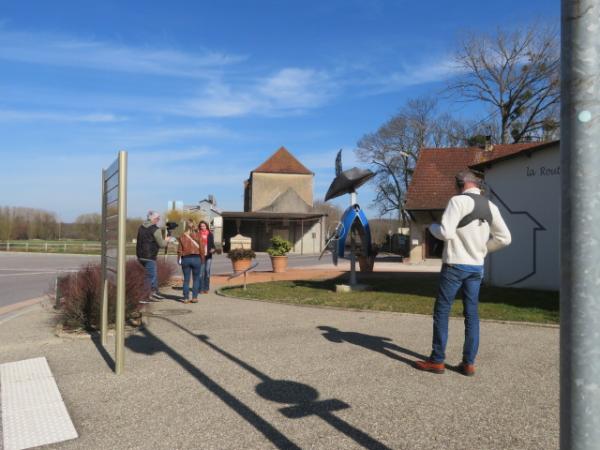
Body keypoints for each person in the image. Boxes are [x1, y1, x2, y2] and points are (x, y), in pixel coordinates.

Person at [415, 170, 511, 376]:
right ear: (476, 185)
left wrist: (431, 227)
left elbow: (446, 233)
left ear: (460, 184)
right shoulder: (491, 206)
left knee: (442, 311)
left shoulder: (457, 201)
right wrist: (484, 249)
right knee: (471, 315)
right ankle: (468, 363)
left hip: (454, 266)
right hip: (476, 268)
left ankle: (437, 360)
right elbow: (505, 238)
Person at [136, 210, 174, 301]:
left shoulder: (141, 227)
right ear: (153, 219)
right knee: (150, 276)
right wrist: (167, 240)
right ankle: (144, 296)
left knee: (153, 274)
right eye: (158, 218)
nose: (158, 220)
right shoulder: (155, 229)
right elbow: (162, 244)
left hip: (140, 255)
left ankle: (154, 292)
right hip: (149, 256)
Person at [177, 219, 205, 303]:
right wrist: (202, 259)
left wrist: (179, 259)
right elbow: (202, 249)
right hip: (196, 258)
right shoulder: (198, 235)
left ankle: (185, 298)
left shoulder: (182, 236)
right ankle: (194, 297)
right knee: (196, 279)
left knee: (186, 279)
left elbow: (179, 250)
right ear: (195, 225)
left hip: (186, 258)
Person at [198, 220, 216, 293]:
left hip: (208, 256)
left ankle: (206, 288)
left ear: (206, 226)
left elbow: (212, 244)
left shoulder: (210, 234)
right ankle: (201, 288)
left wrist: (213, 249)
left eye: (204, 226)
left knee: (207, 272)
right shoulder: (198, 234)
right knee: (201, 273)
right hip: (201, 256)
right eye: (201, 226)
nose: (202, 227)